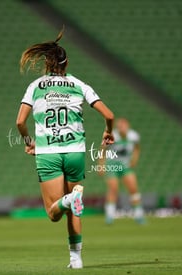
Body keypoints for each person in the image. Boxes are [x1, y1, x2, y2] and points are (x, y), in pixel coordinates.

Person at [16, 27, 115, 269]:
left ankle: (69, 199)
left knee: (53, 213)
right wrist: (108, 131)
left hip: (48, 153)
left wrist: (29, 143)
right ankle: (76, 259)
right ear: (66, 62)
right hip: (75, 152)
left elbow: (20, 122)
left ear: (47, 64)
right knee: (74, 209)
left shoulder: (36, 87)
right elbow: (109, 115)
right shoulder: (79, 85)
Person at [99, 118, 145, 225]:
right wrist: (101, 165)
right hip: (112, 165)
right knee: (113, 188)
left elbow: (137, 148)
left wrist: (134, 159)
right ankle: (109, 216)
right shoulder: (111, 136)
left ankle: (139, 215)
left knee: (133, 188)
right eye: (119, 126)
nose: (121, 128)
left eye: (123, 126)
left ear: (128, 126)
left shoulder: (133, 136)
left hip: (125, 166)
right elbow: (102, 149)